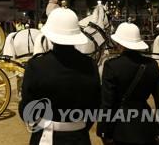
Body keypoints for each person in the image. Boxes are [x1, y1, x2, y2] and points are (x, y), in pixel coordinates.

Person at [19, 8, 100, 144]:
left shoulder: (36, 65)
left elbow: (26, 109)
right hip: (79, 137)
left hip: (45, 136)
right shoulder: (90, 65)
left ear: (50, 36)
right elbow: (95, 105)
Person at [97, 22, 159, 145]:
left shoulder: (112, 66)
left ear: (119, 43)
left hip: (120, 130)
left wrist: (103, 131)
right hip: (147, 128)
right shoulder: (152, 65)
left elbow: (107, 103)